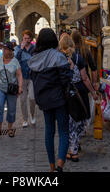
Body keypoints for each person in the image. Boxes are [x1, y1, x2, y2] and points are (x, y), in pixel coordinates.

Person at [28, 28, 72, 172]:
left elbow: (33, 79)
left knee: (49, 131)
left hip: (44, 100)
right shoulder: (58, 56)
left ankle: (52, 166)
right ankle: (60, 164)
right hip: (59, 99)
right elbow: (66, 79)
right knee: (64, 131)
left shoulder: (34, 59)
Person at [59, 34, 98, 162]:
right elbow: (85, 78)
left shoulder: (60, 58)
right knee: (81, 120)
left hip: (67, 93)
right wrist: (92, 91)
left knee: (70, 123)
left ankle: (73, 151)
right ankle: (74, 147)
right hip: (80, 91)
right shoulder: (78, 57)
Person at [0, 42, 23, 139]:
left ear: (10, 51)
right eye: (3, 48)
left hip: (12, 89)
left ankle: (10, 128)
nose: (4, 50)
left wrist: (20, 87)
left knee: (12, 109)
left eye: (6, 49)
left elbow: (19, 75)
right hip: (0, 88)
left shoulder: (15, 61)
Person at [15, 30, 36, 127]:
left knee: (32, 98)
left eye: (28, 38)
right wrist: (21, 49)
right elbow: (16, 60)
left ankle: (32, 115)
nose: (26, 40)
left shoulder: (34, 48)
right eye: (24, 38)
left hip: (32, 77)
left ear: (31, 39)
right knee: (23, 99)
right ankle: (25, 119)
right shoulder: (18, 48)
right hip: (21, 77)